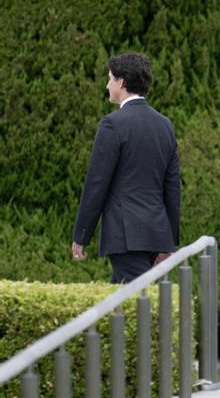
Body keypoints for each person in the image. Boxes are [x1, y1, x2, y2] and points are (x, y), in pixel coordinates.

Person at [72, 53, 180, 284]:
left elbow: (96, 185)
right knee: (124, 307)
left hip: (125, 235)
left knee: (136, 306)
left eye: (110, 78)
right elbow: (172, 187)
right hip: (156, 234)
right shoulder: (165, 125)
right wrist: (169, 241)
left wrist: (81, 236)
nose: (107, 84)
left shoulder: (112, 124)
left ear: (121, 83)